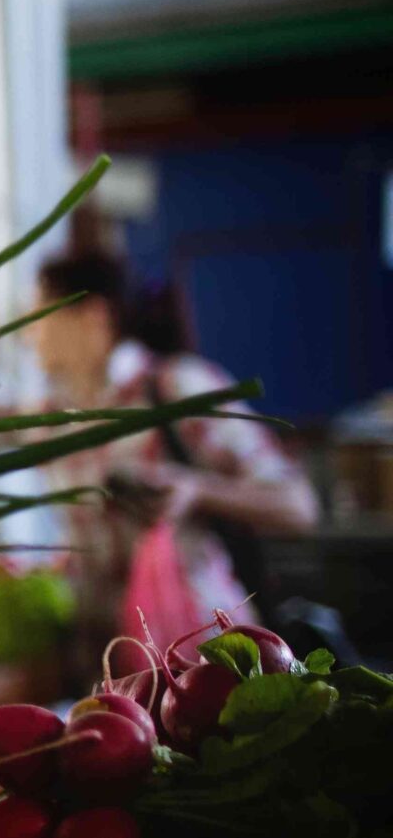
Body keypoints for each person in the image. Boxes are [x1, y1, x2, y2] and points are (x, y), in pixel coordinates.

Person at [27, 252, 317, 650]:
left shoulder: (177, 389)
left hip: (204, 657)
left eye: (39, 317)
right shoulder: (54, 418)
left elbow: (298, 506)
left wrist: (197, 490)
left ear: (92, 316)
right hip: (108, 663)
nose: (30, 335)